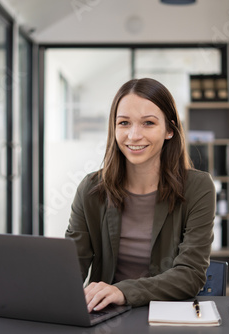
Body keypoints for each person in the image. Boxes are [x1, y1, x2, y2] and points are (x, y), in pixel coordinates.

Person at [65, 78, 215, 313]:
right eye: (124, 123)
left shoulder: (198, 188)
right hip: (107, 316)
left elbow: (190, 274)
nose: (134, 135)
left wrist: (123, 291)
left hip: (168, 315)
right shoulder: (91, 189)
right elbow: (72, 266)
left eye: (148, 123)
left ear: (169, 130)